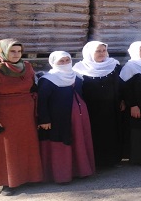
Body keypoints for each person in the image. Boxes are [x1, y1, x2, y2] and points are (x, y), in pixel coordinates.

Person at [0, 39, 42, 196]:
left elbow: (32, 87)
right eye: (12, 51)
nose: (16, 54)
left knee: (26, 145)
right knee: (7, 148)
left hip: (25, 114)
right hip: (4, 115)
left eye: (19, 51)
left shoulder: (26, 67)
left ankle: (29, 177)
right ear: (2, 51)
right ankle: (8, 182)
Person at [37, 51, 95, 183]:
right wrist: (44, 119)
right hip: (58, 118)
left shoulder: (77, 77)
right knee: (61, 143)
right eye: (61, 61)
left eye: (67, 60)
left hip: (79, 118)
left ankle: (81, 170)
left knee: (78, 141)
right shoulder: (48, 80)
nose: (65, 63)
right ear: (53, 63)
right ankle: (62, 175)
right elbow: (42, 101)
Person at [72, 41, 124, 168]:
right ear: (90, 53)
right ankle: (96, 162)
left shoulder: (114, 65)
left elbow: (121, 85)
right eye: (98, 51)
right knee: (94, 133)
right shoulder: (79, 69)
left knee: (111, 132)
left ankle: (113, 160)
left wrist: (123, 100)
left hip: (112, 107)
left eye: (103, 50)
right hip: (91, 108)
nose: (102, 54)